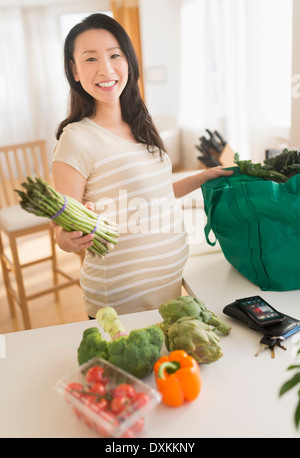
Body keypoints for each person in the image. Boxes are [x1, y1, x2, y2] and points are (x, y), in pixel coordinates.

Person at [52, 13, 233, 318]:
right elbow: (62, 229)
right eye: (91, 59)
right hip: (121, 302)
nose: (106, 69)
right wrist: (67, 238)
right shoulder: (77, 139)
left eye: (114, 55)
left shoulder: (141, 124)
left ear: (129, 61)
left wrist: (205, 175)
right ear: (74, 70)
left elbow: (156, 193)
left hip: (170, 287)